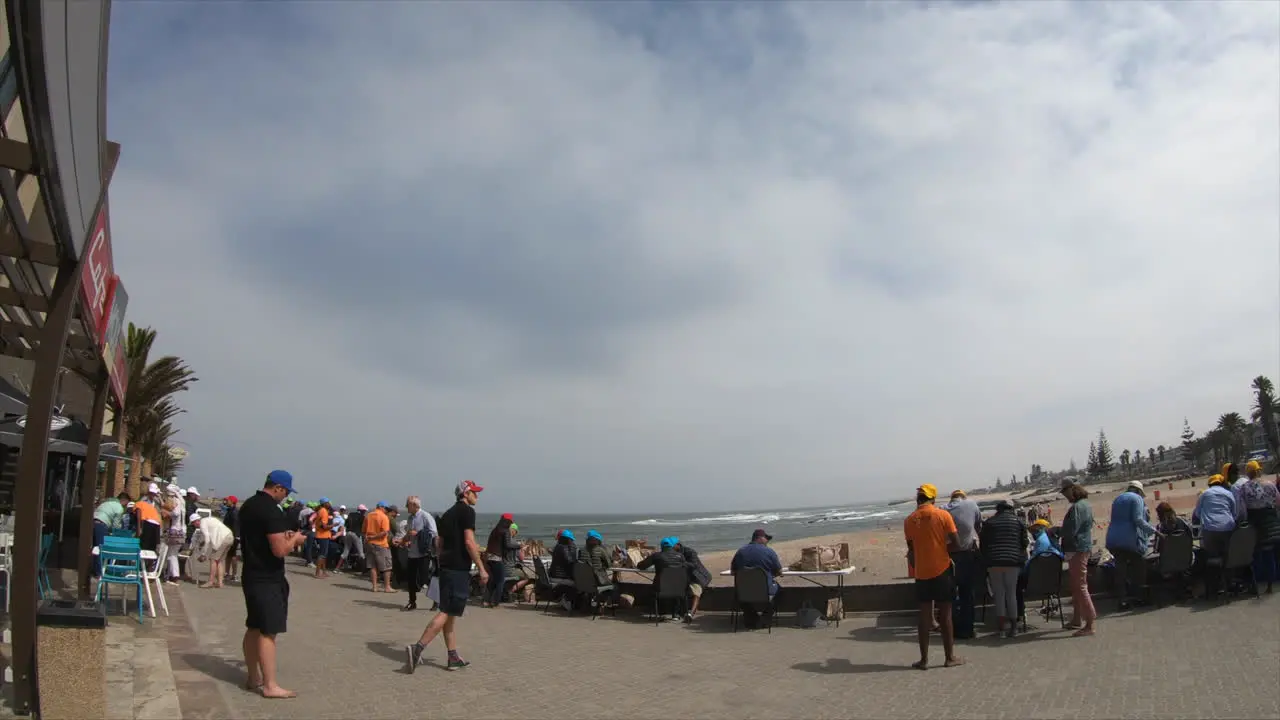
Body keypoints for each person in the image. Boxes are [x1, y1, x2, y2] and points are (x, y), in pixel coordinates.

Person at [406, 480, 488, 673]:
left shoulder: (448, 514)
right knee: (446, 612)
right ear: (465, 494)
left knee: (450, 614)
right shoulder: (467, 512)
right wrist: (482, 568)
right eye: (474, 492)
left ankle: (453, 657)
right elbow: (469, 542)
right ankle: (417, 648)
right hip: (458, 569)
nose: (477, 496)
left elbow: (439, 543)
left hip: (446, 567)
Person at [239, 470, 308, 699]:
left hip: (251, 572)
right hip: (268, 577)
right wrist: (295, 540)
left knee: (254, 626)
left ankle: (252, 677)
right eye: (285, 492)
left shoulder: (249, 505)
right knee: (268, 631)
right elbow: (279, 550)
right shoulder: (271, 510)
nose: (286, 496)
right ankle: (270, 684)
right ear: (277, 487)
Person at [904, 484, 963, 669]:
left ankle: (923, 660)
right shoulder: (943, 515)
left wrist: (919, 563)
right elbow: (957, 543)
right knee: (945, 615)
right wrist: (943, 551)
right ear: (933, 499)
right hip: (942, 570)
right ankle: (949, 657)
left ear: (918, 499)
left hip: (922, 573)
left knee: (924, 617)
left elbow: (911, 550)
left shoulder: (909, 520)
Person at [979, 499, 1027, 638]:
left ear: (998, 509)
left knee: (999, 595)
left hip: (994, 562)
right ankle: (1013, 628)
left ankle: (1001, 629)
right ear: (1011, 509)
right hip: (1012, 562)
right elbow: (1024, 543)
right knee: (1011, 594)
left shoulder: (989, 523)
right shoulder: (1018, 522)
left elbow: (983, 544)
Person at [1105, 480, 1156, 610]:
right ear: (1139, 491)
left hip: (1113, 538)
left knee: (1120, 571)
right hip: (1129, 539)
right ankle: (1139, 597)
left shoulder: (1118, 499)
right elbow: (1138, 519)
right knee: (1139, 567)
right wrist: (1155, 531)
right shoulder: (1137, 499)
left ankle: (1122, 600)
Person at [944, 489, 982, 639]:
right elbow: (979, 527)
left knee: (951, 595)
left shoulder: (943, 509)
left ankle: (952, 628)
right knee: (967, 594)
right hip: (966, 555)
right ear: (963, 498)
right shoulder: (971, 504)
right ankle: (968, 629)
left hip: (947, 556)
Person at [1059, 482, 1096, 636]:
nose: (1065, 495)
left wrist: (1056, 531)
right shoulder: (1085, 505)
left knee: (1080, 586)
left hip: (1077, 549)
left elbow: (1071, 530)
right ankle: (1076, 619)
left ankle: (1089, 623)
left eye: (1065, 492)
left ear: (1073, 490)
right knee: (1076, 585)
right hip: (1082, 547)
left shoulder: (1077, 507)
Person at [1193, 474, 1238, 598]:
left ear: (1210, 484)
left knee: (1212, 558)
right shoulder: (1229, 494)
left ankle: (1214, 588)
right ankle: (1230, 584)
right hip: (1228, 528)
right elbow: (1235, 513)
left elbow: (1197, 513)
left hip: (1210, 530)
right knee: (1228, 557)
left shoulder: (1204, 495)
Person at [730, 529, 784, 630]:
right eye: (766, 538)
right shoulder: (769, 551)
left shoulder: (740, 551)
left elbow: (733, 572)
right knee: (780, 591)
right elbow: (780, 572)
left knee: (740, 594)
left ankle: (752, 617)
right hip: (764, 590)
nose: (767, 541)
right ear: (759, 538)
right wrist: (770, 575)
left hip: (743, 591)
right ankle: (765, 617)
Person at [1239, 460, 1280, 593]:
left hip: (1256, 525)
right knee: (1272, 554)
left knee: (1258, 555)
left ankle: (1257, 585)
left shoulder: (1244, 488)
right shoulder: (1270, 485)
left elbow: (1243, 511)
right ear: (1259, 471)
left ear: (1248, 473)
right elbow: (1278, 502)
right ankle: (1270, 584)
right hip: (1273, 522)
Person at [403, 496, 436, 611]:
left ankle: (436, 601)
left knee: (425, 578)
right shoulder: (410, 518)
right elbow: (408, 533)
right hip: (412, 552)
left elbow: (433, 532)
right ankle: (412, 602)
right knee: (411, 578)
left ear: (414, 505)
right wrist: (403, 540)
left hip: (423, 553)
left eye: (408, 505)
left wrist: (418, 533)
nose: (406, 507)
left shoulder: (425, 516)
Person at [190, 513, 235, 588]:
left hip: (222, 539)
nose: (194, 526)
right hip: (229, 536)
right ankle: (220, 583)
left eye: (193, 523)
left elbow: (207, 539)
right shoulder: (209, 519)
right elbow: (211, 534)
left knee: (213, 559)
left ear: (196, 521)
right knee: (219, 561)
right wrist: (203, 543)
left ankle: (210, 581)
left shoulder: (202, 524)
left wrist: (203, 554)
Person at [91, 492, 130, 578]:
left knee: (94, 548)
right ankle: (99, 573)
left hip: (92, 521)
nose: (125, 507)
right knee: (101, 549)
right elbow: (116, 526)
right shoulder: (119, 508)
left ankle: (93, 569)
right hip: (101, 524)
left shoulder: (107, 502)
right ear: (124, 501)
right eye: (126, 504)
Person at [482, 514, 517, 608]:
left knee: (492, 580)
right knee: (500, 581)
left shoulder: (496, 530)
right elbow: (508, 545)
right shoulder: (505, 531)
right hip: (497, 558)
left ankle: (486, 600)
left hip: (489, 557)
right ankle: (495, 602)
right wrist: (519, 546)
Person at [676, 540, 712, 622]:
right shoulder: (672, 553)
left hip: (697, 576)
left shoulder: (690, 552)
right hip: (684, 577)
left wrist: (682, 562)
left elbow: (694, 565)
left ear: (678, 545)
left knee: (696, 591)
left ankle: (691, 614)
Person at [364, 502, 394, 593]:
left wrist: (369, 537)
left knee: (372, 566)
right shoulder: (384, 517)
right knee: (387, 566)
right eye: (386, 509)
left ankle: (374, 587)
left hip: (369, 543)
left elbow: (364, 530)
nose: (386, 511)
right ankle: (387, 587)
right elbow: (384, 532)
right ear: (381, 507)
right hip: (381, 544)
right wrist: (374, 537)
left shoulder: (368, 516)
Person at [549, 530, 580, 611]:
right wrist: (573, 548)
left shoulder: (557, 547)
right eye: (571, 540)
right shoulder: (564, 548)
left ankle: (565, 600)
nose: (572, 541)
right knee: (578, 584)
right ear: (567, 539)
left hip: (554, 575)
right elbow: (570, 562)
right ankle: (566, 600)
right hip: (560, 577)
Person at [339, 504, 366, 573]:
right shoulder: (363, 517)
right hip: (356, 534)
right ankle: (363, 571)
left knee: (345, 551)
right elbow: (364, 528)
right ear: (362, 511)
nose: (365, 512)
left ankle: (337, 568)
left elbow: (346, 524)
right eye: (364, 511)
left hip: (348, 533)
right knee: (361, 553)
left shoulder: (350, 514)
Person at [311, 498, 334, 579]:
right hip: (323, 535)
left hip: (323, 535)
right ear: (325, 503)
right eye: (328, 502)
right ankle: (317, 573)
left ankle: (323, 572)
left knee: (324, 554)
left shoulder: (321, 510)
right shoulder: (324, 511)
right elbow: (324, 526)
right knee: (322, 554)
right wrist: (333, 525)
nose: (329, 504)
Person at [222, 496, 241, 583]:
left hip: (234, 537)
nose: (226, 501)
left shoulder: (234, 512)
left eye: (228, 500)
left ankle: (234, 574)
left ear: (232, 502)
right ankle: (227, 573)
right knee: (228, 555)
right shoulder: (229, 511)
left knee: (233, 557)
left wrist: (236, 537)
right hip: (229, 536)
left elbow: (236, 525)